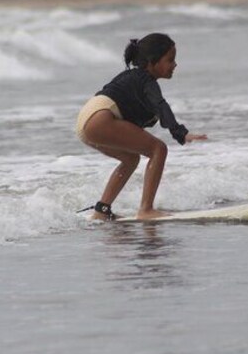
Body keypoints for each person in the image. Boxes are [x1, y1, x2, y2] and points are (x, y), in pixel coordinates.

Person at [75, 32, 207, 220]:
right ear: (153, 62)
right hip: (101, 118)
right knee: (158, 149)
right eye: (170, 60)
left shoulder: (131, 77)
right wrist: (180, 133)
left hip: (87, 119)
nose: (175, 65)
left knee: (131, 159)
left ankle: (101, 210)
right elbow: (161, 106)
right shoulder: (146, 81)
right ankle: (146, 210)